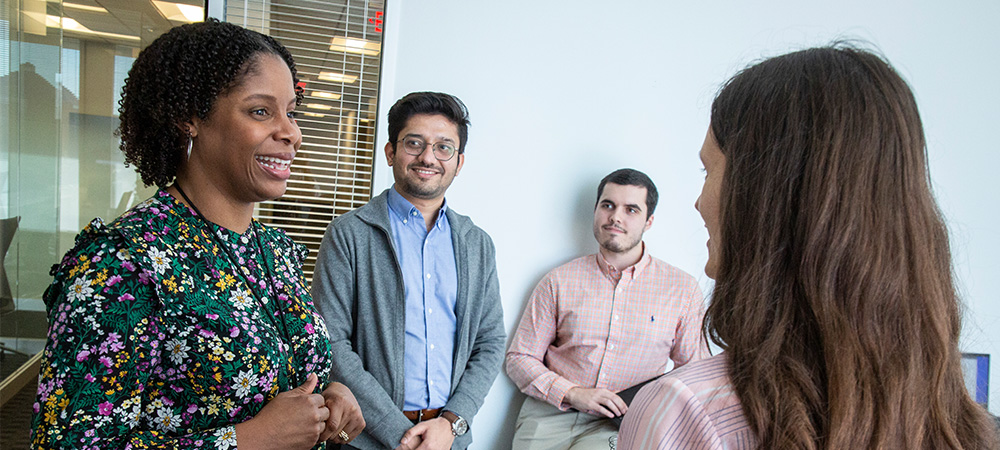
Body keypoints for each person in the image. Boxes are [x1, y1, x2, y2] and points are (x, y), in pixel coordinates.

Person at [619, 45, 999, 450]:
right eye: (608, 205)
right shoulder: (966, 421)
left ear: (764, 198)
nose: (698, 202)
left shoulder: (684, 411)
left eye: (709, 170)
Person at [30, 19, 364, 449]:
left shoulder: (273, 250)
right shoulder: (123, 264)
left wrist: (326, 400)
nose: (292, 133)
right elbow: (66, 444)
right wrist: (247, 441)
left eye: (291, 112)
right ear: (190, 117)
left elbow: (278, 385)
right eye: (260, 111)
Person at [312, 92, 506, 450]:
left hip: (448, 440)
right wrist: (399, 434)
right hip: (366, 439)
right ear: (390, 152)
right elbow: (331, 344)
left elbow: (490, 342)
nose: (428, 157)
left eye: (443, 147)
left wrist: (452, 423)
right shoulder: (349, 234)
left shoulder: (476, 244)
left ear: (459, 161)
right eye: (414, 143)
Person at [505, 168, 709, 449]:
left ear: (649, 221)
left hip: (624, 423)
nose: (616, 217)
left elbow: (694, 373)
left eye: (631, 210)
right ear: (596, 210)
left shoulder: (681, 290)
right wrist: (573, 393)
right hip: (550, 414)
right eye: (608, 205)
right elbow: (519, 357)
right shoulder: (558, 280)